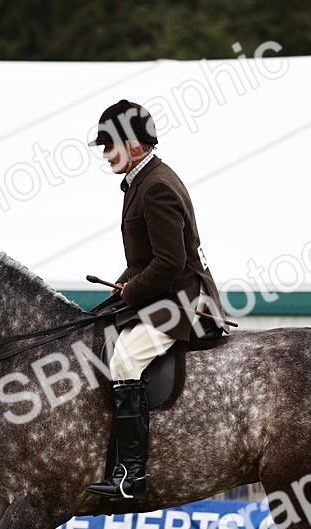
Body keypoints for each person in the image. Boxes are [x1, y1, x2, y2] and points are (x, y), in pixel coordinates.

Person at [84, 99, 226, 501]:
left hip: (181, 298)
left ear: (132, 144)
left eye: (110, 146)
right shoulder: (140, 180)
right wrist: (122, 284)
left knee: (125, 361)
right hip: (159, 291)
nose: (107, 155)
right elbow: (145, 259)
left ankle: (131, 476)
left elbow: (170, 262)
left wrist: (132, 290)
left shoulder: (157, 185)